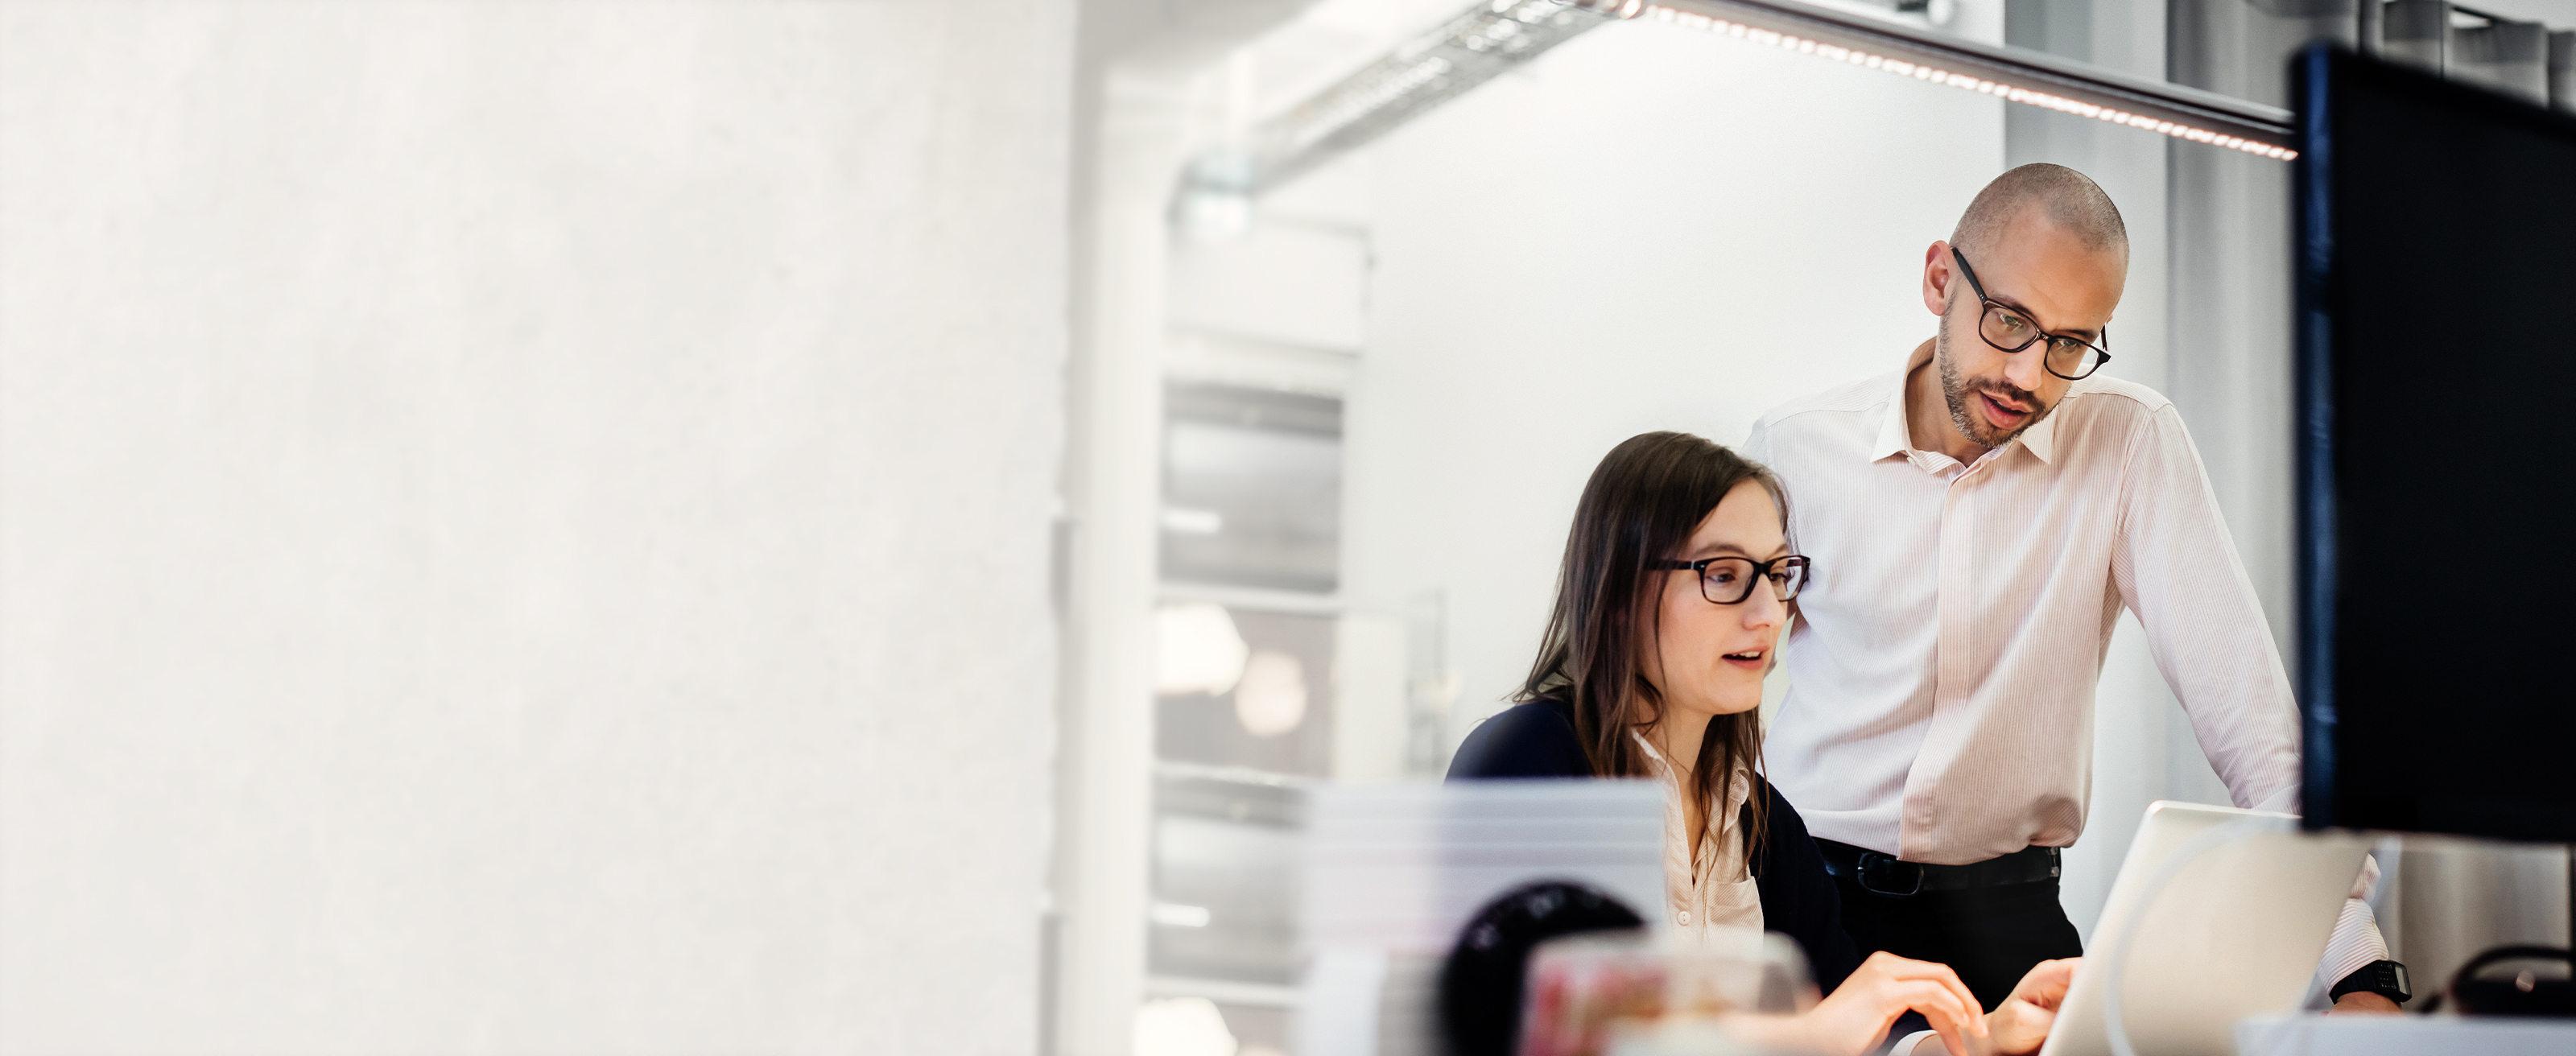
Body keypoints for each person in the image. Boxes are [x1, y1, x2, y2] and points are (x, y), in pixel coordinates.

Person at [1741, 163, 2401, 1017]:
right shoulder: (1796, 449)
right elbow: (1702, 696)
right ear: (1940, 278)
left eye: (2067, 344)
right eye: (2008, 320)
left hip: (2008, 925)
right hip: (1806, 904)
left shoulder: (2128, 443)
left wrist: (2356, 968)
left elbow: (2251, 724)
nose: (2027, 375)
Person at [1449, 431, 2074, 1056]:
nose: (1770, 614)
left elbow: (1846, 1034)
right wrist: (1804, 1034)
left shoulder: (1767, 823)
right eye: (1723, 575)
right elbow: (1519, 1025)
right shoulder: (1524, 761)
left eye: (1778, 575)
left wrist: (1982, 1035)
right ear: (1619, 589)